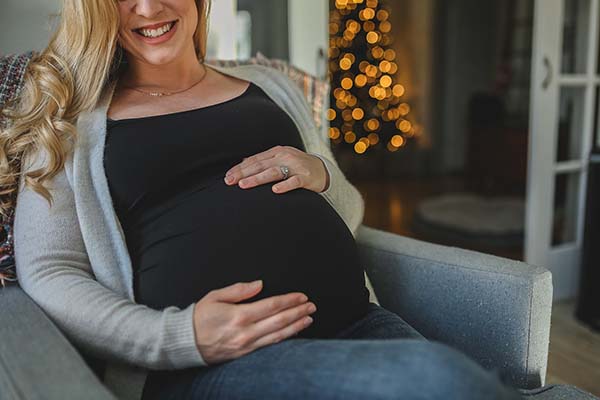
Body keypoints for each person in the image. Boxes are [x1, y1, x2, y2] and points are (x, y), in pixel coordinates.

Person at [2, 0, 524, 399]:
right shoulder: (69, 116)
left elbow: (348, 209)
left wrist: (320, 174)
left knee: (463, 386)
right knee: (442, 378)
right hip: (213, 365)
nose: (148, 7)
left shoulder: (271, 85)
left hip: (357, 320)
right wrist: (178, 336)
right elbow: (50, 270)